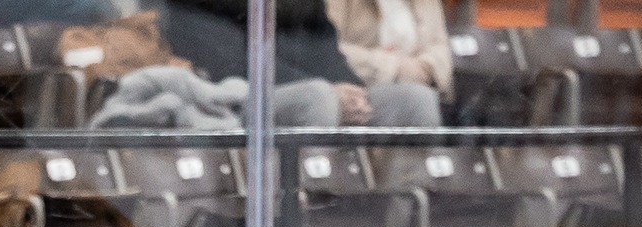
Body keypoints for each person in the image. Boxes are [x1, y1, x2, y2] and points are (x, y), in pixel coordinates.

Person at [153, 0, 440, 126]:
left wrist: (350, 89)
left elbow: (321, 40)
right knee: (317, 99)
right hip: (226, 99)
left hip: (309, 89)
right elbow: (226, 60)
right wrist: (330, 91)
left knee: (414, 100)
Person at [325, 0, 449, 127]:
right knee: (418, 100)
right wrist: (395, 68)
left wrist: (426, 67)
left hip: (420, 85)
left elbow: (440, 47)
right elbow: (326, 48)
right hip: (357, 88)